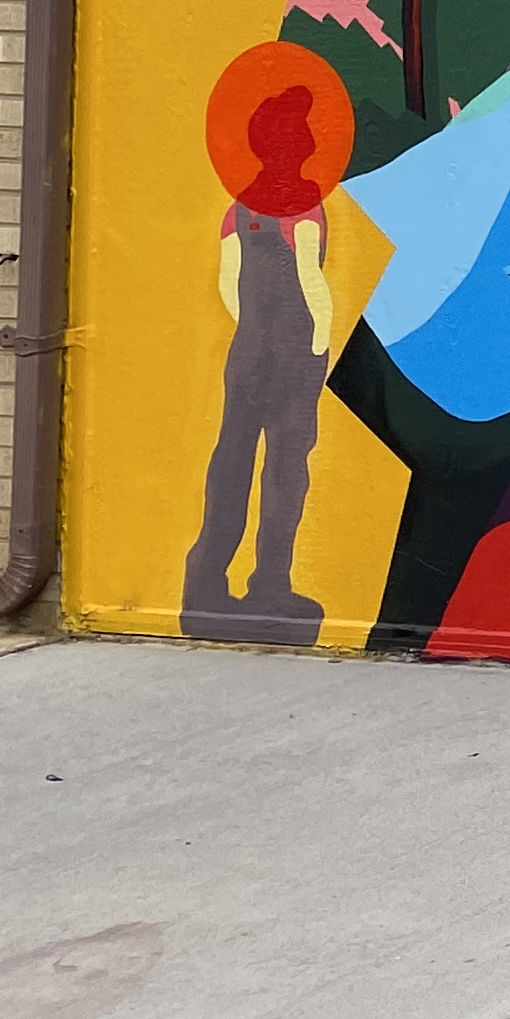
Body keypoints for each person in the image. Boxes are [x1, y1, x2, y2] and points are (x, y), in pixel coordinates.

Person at [188, 83, 336, 644]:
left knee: (231, 461)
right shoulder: (303, 206)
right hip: (294, 356)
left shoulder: (237, 209)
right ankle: (270, 583)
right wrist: (321, 337)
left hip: (246, 352)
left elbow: (229, 285)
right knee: (285, 470)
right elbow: (311, 281)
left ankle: (207, 581)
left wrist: (251, 326)